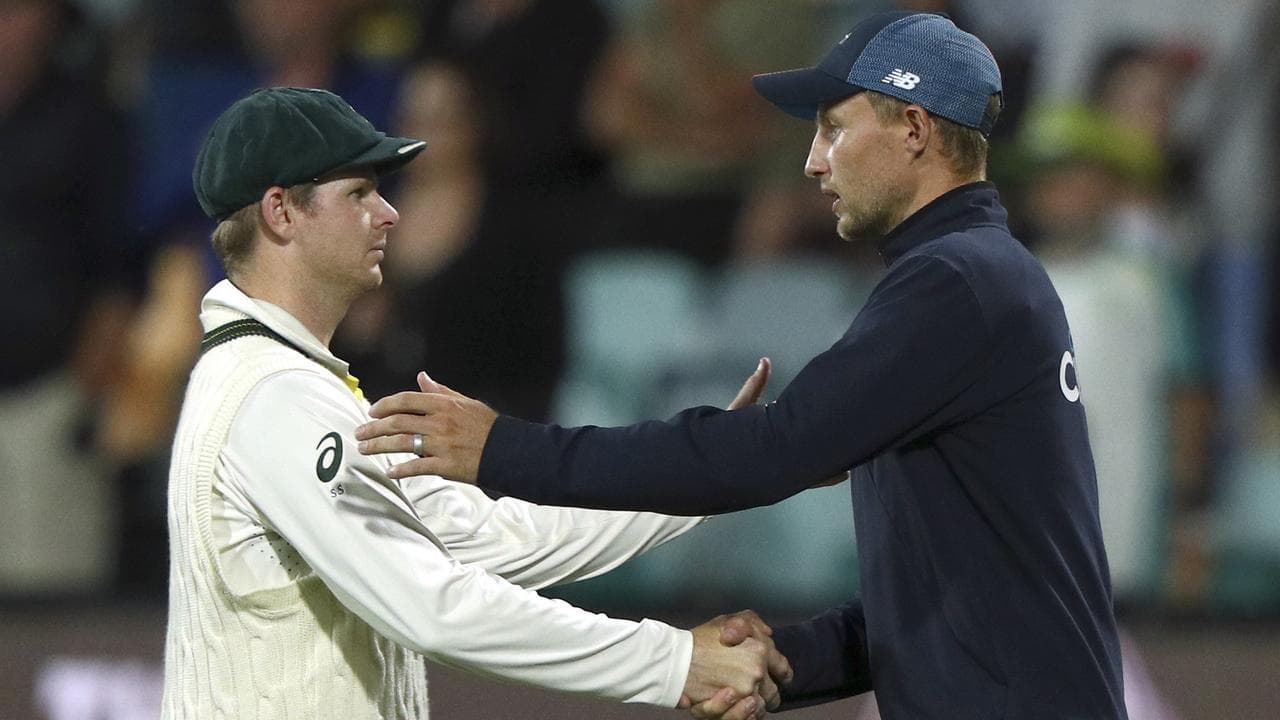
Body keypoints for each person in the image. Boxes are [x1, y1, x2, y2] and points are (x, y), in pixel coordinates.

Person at [355, 11, 1129, 719]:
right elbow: (948, 589)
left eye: (832, 129)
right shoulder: (979, 276)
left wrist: (501, 449)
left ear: (915, 129)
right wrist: (778, 665)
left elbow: (769, 454)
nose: (812, 163)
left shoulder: (955, 284)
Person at [163, 86, 785, 719]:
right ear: (281, 213)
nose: (389, 213)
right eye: (358, 194)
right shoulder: (274, 397)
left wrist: (718, 469)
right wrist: (674, 660)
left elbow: (497, 537)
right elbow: (432, 606)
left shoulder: (293, 383)